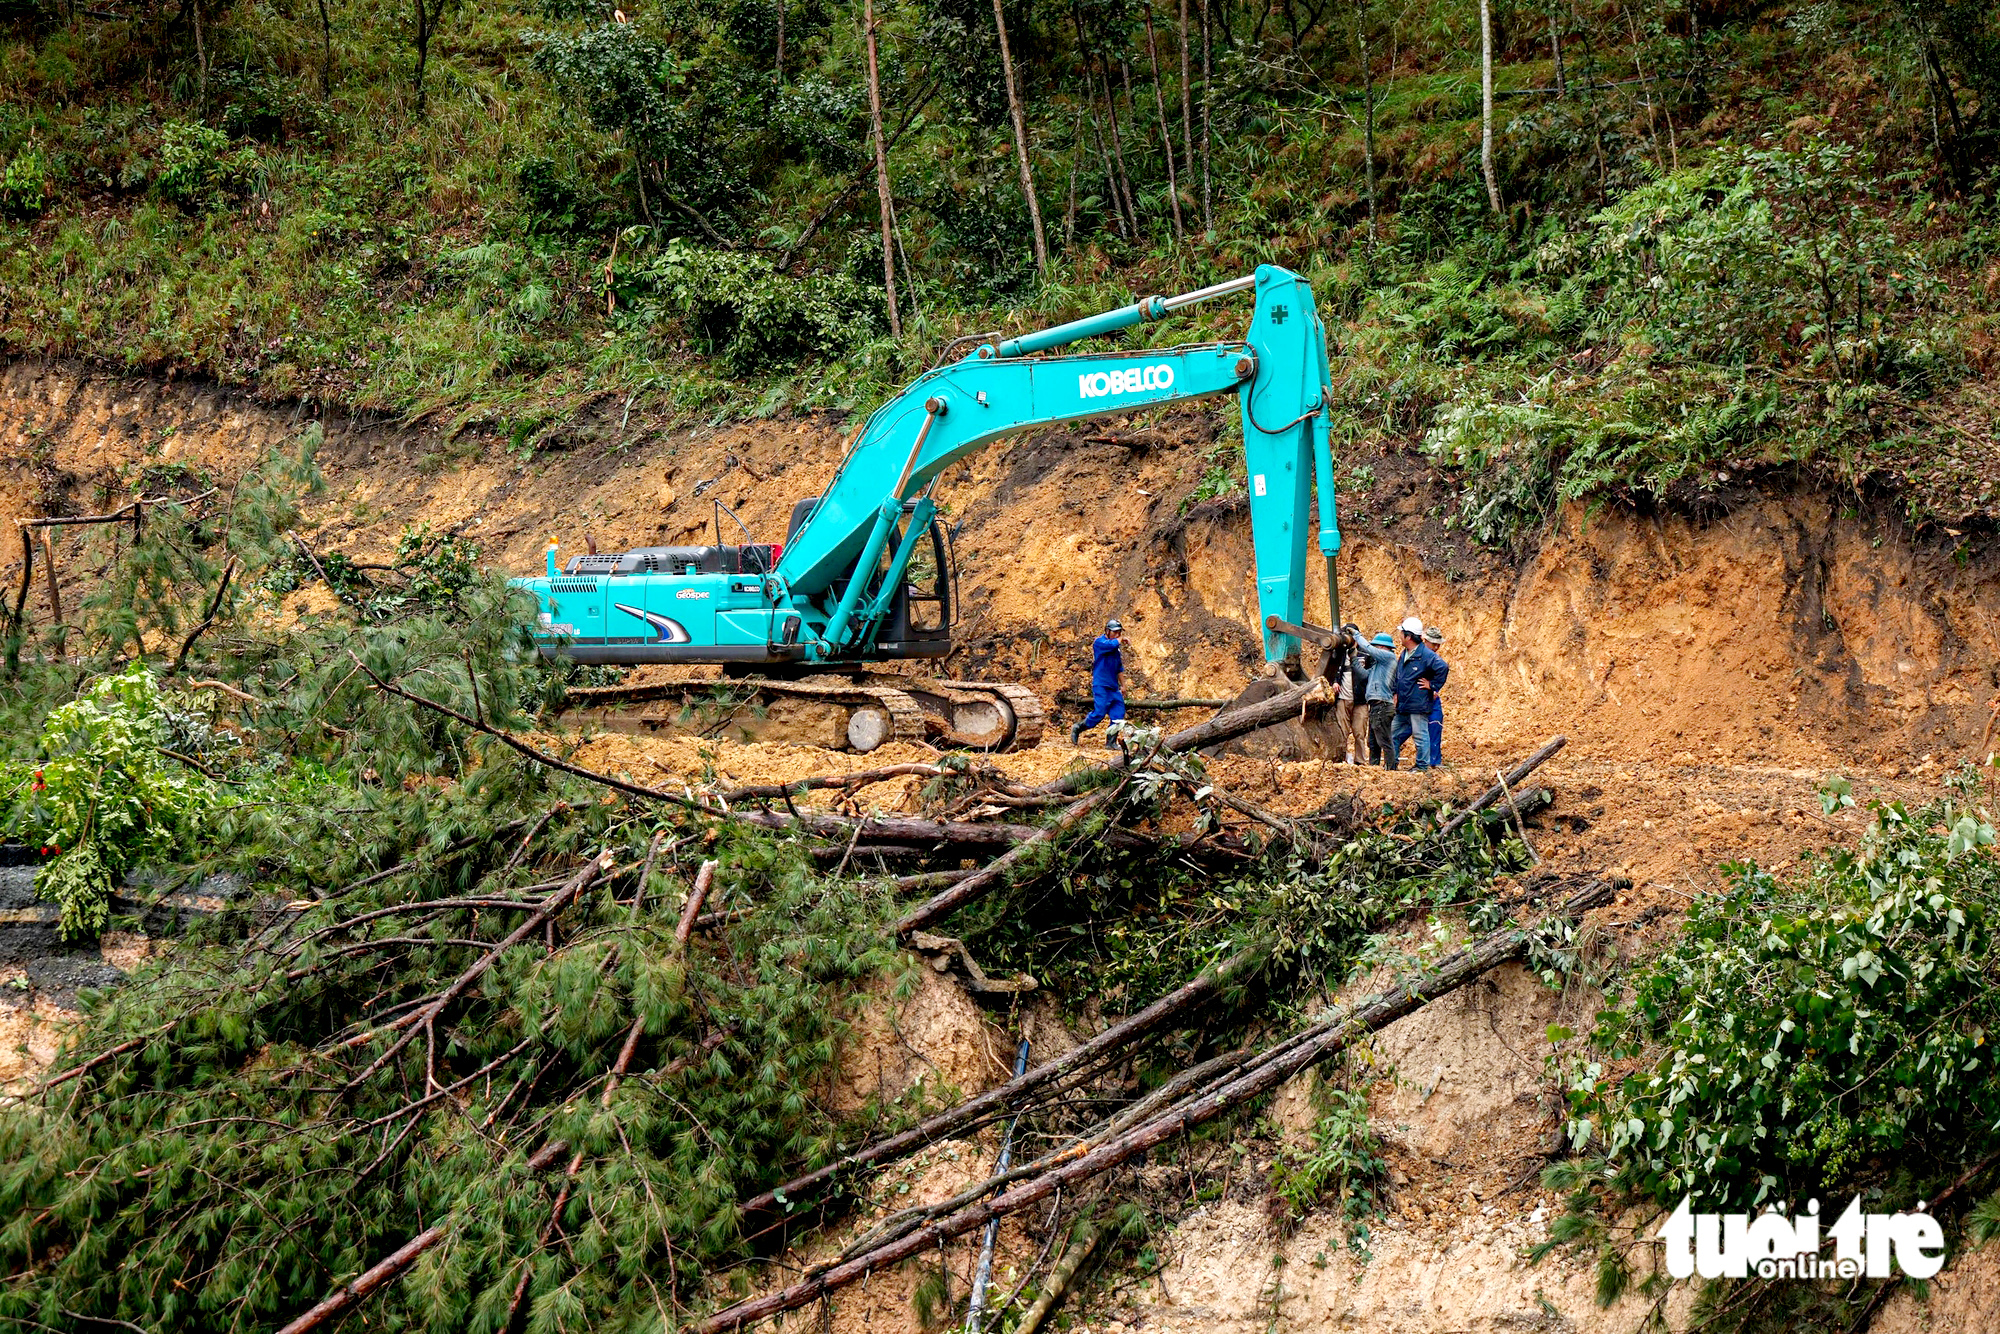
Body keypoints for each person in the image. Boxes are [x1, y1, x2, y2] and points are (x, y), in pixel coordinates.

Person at [1388, 616, 1447, 771]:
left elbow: (1443, 668)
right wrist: (1395, 692)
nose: (1399, 636)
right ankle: (1391, 765)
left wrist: (1432, 685)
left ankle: (1422, 767)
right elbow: (1399, 675)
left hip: (1418, 703)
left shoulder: (1426, 655)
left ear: (1408, 636)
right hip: (1404, 703)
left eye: (1401, 633)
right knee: (1392, 733)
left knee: (1420, 736)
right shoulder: (1405, 653)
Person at [1070, 618, 1127, 747]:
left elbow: (1119, 668)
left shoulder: (1115, 649)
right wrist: (1121, 640)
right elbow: (1112, 644)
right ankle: (1078, 727)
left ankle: (1111, 742)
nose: (1117, 635)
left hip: (1113, 687)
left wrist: (1123, 685)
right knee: (1099, 713)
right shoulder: (1100, 643)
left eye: (1119, 632)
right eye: (1115, 632)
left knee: (1118, 714)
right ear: (1107, 631)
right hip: (1101, 685)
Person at [1327, 624, 1372, 765]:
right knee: (1342, 732)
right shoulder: (1338, 655)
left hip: (1360, 700)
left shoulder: (1366, 654)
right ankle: (1342, 759)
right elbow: (1331, 672)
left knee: (1359, 733)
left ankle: (1360, 761)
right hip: (1343, 699)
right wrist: (1335, 682)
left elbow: (1370, 675)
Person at [1364, 632, 1398, 766]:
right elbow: (1364, 675)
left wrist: (1356, 636)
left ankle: (1390, 770)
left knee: (1384, 741)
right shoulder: (1378, 665)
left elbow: (1368, 649)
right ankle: (1374, 768)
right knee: (1373, 742)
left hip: (1382, 705)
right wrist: (1354, 660)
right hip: (1376, 706)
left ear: (1383, 648)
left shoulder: (1389, 657)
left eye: (1377, 647)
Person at [1422, 625, 1447, 765]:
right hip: (1416, 700)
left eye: (1438, 645)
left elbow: (1442, 671)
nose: (1436, 647)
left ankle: (1434, 761)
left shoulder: (1435, 659)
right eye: (1434, 644)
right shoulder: (1417, 656)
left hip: (1431, 699)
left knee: (1435, 725)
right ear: (1425, 641)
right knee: (1406, 729)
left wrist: (1433, 687)